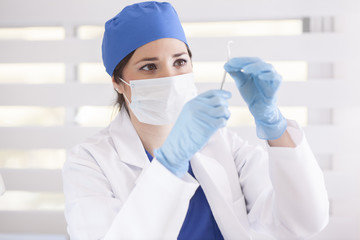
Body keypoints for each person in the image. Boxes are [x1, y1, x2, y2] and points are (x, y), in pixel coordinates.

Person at [62, 2, 329, 239]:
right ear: (118, 83)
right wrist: (170, 164)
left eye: (180, 62)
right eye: (149, 66)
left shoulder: (222, 142)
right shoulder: (89, 162)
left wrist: (274, 125)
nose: (170, 77)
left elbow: (304, 222)